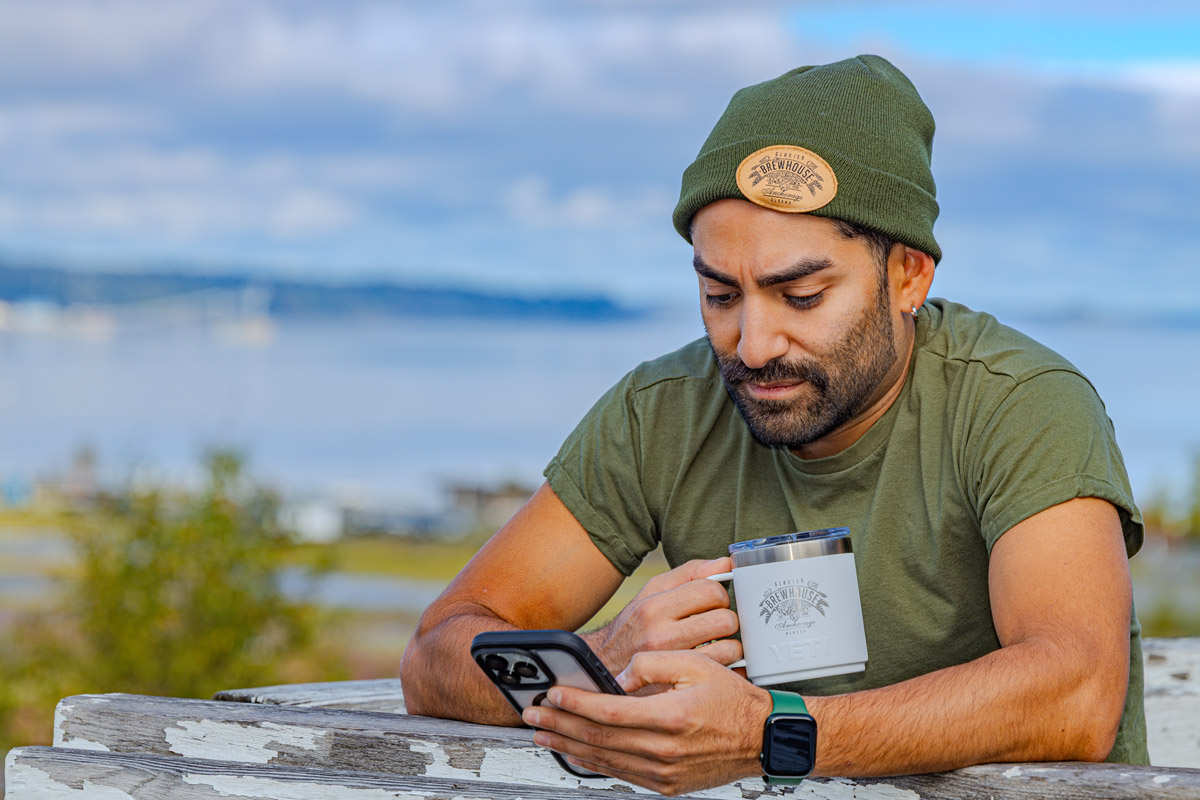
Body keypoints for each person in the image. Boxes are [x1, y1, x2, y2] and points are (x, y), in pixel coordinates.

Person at [399, 55, 1147, 796]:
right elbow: (435, 658)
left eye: (802, 296)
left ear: (908, 276)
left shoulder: (1023, 404)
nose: (753, 347)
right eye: (721, 296)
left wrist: (770, 735)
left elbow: (1075, 693)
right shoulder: (662, 410)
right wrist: (604, 658)